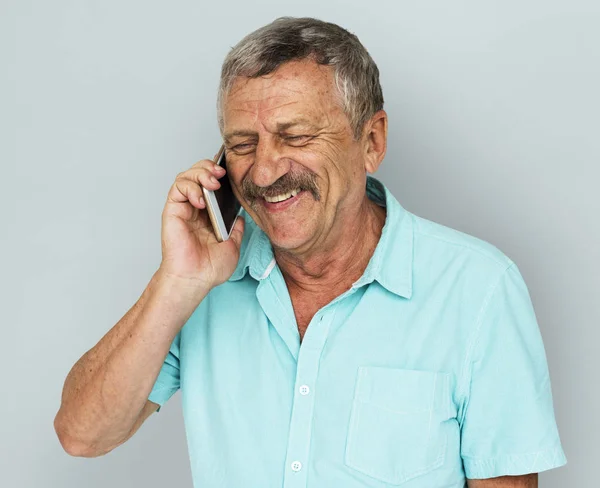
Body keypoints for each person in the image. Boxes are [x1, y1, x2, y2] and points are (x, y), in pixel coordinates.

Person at [54, 17, 566, 488]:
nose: (264, 171)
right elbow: (82, 435)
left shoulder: (478, 288)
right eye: (242, 144)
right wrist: (176, 283)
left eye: (295, 135)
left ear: (372, 141)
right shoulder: (203, 285)